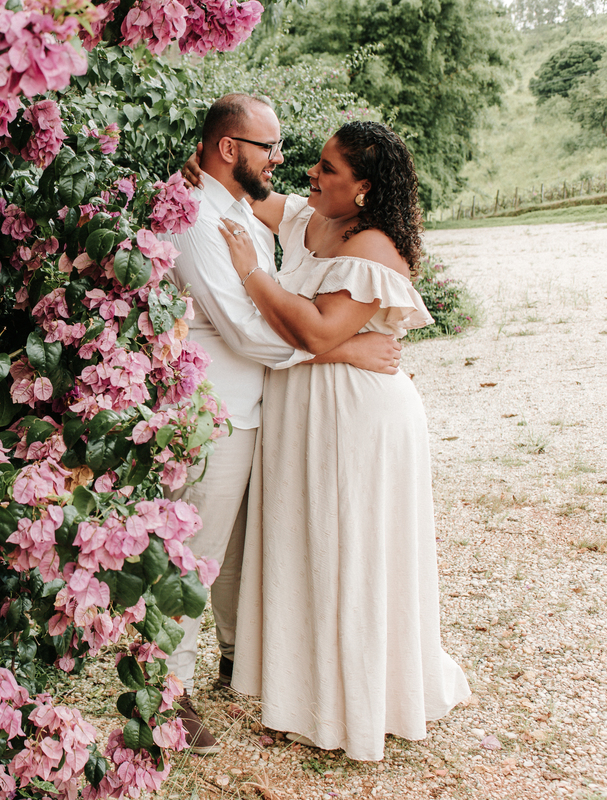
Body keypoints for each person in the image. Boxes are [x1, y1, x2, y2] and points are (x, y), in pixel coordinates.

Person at [211, 120, 471, 761]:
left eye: (327, 169)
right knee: (309, 545)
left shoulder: (376, 249)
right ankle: (302, 691)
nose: (311, 174)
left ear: (363, 190)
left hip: (358, 421)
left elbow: (315, 334)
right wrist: (201, 170)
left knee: (347, 549)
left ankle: (354, 704)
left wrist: (252, 273)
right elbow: (244, 190)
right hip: (309, 412)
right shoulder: (308, 219)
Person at [159, 95, 405, 756]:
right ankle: (165, 696)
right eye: (270, 146)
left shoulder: (241, 206)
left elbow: (273, 302)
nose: (284, 159)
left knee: (243, 552)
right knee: (196, 557)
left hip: (261, 408)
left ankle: (241, 662)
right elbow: (245, 329)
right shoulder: (199, 219)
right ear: (232, 149)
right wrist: (344, 347)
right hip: (214, 411)